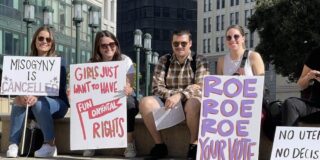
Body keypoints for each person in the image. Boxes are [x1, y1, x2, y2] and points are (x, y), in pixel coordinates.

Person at [139, 29, 209, 159]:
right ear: (172, 44)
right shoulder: (164, 60)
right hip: (169, 102)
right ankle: (159, 145)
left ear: (190, 43)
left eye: (183, 43)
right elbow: (156, 87)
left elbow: (201, 86)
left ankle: (193, 144)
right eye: (176, 44)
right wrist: (173, 96)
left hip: (190, 103)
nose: (179, 46)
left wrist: (180, 95)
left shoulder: (199, 60)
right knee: (145, 102)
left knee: (194, 103)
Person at [6, 26, 69, 158]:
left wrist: (38, 94)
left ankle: (50, 144)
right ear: (35, 40)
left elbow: (57, 88)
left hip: (57, 103)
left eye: (48, 39)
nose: (44, 41)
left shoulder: (59, 61)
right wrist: (22, 95)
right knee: (18, 100)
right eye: (41, 38)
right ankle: (13, 144)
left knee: (39, 102)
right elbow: (20, 84)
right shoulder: (26, 61)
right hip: (31, 101)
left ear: (52, 43)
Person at [82, 30, 139, 158]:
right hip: (100, 97)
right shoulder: (91, 63)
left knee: (129, 103)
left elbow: (129, 85)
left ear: (116, 45)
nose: (109, 48)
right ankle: (90, 142)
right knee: (85, 103)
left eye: (112, 44)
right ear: (98, 48)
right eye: (104, 46)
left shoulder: (125, 60)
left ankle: (129, 142)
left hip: (121, 95)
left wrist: (128, 89)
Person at [282, 47, 320, 126]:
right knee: (290, 103)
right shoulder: (316, 53)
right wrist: (309, 77)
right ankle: (290, 137)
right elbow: (301, 85)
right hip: (315, 106)